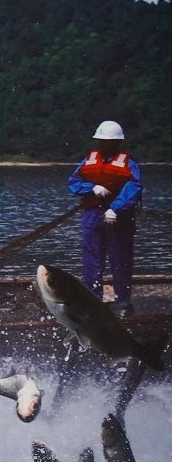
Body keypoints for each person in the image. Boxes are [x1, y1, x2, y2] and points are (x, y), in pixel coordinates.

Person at [67, 120, 143, 316]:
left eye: (109, 141)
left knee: (121, 261)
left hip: (119, 219)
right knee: (92, 261)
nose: (105, 144)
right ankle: (93, 301)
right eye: (102, 141)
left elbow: (133, 188)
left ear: (117, 143)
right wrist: (92, 188)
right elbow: (73, 182)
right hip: (92, 216)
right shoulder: (88, 160)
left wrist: (116, 208)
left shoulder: (128, 163)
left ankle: (123, 303)